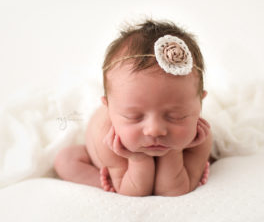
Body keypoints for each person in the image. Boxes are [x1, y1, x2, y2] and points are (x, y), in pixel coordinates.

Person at [54, 19, 214, 196]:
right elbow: (134, 193)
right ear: (109, 108)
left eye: (177, 116)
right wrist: (137, 159)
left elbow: (174, 190)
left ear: (200, 104)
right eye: (134, 116)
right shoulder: (107, 138)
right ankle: (104, 183)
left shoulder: (200, 138)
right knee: (66, 160)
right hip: (110, 159)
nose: (155, 130)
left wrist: (175, 151)